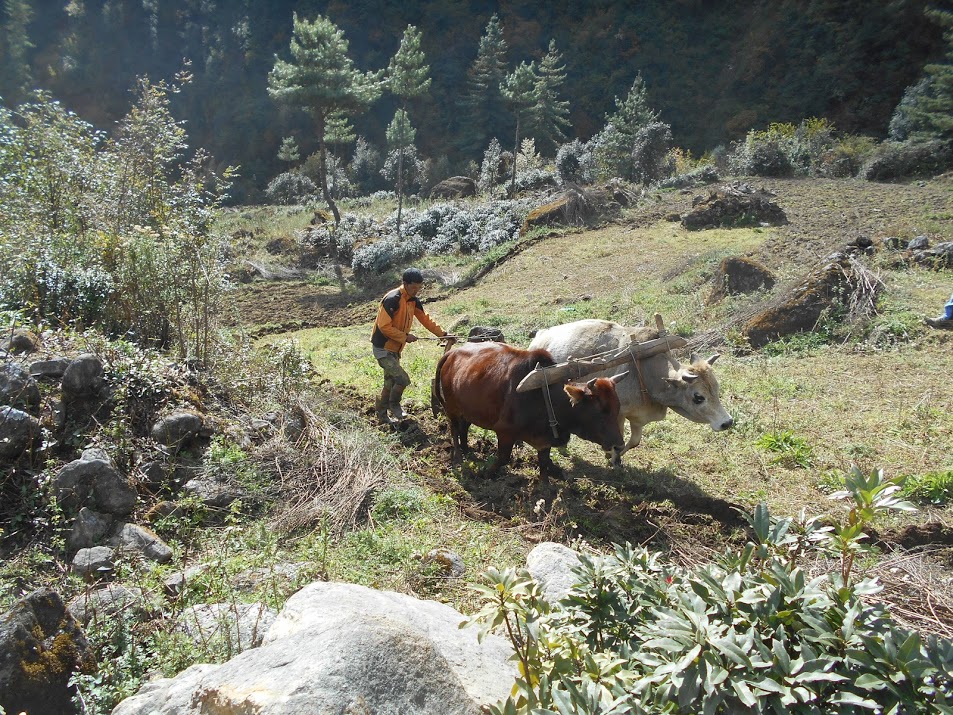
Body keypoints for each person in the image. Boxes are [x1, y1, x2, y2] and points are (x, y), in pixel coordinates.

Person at [371, 268, 455, 423]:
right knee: (402, 379)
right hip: (383, 348)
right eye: (414, 287)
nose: (417, 291)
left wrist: (443, 334)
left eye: (419, 287)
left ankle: (382, 415)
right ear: (405, 284)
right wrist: (405, 337)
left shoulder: (413, 300)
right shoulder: (392, 299)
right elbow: (384, 326)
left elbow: (425, 319)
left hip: (395, 348)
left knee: (390, 382)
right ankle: (394, 405)